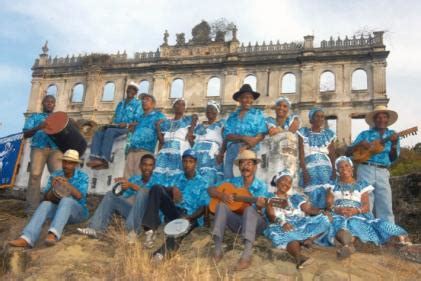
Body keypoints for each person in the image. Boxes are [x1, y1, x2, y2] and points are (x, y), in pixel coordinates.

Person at [326, 156, 409, 259]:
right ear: (337, 171)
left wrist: (356, 210)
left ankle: (347, 245)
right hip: (338, 213)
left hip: (357, 213)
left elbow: (366, 206)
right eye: (341, 167)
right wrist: (336, 209)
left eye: (346, 166)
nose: (344, 169)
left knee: (354, 223)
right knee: (338, 223)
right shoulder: (332, 185)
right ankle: (348, 246)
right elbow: (329, 203)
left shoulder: (362, 185)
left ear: (352, 168)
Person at [9, 150, 89, 247]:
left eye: (70, 162)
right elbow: (46, 198)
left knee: (66, 200)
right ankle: (27, 238)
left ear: (75, 164)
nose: (66, 165)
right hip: (60, 212)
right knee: (45, 204)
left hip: (78, 213)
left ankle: (53, 234)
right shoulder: (55, 175)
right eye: (65, 161)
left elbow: (80, 196)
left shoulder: (83, 176)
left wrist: (67, 185)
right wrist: (53, 188)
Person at [208, 150, 269, 270]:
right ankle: (218, 251)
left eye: (249, 163)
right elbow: (210, 189)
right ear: (239, 166)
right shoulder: (233, 182)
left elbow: (261, 210)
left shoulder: (261, 186)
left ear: (255, 167)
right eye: (242, 163)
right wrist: (222, 196)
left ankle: (246, 256)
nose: (245, 166)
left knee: (249, 210)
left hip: (256, 224)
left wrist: (260, 205)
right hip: (237, 224)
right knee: (221, 206)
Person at [77, 154, 159, 242]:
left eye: (150, 165)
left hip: (149, 218)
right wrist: (122, 188)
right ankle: (96, 229)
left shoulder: (158, 180)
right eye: (145, 164)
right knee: (110, 195)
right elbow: (124, 196)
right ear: (140, 166)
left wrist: (131, 185)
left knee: (143, 193)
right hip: (135, 214)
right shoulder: (135, 179)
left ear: (154, 167)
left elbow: (151, 196)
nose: (147, 168)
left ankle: (133, 232)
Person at [142, 149, 209, 249]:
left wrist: (189, 218)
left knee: (175, 235)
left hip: (190, 216)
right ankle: (149, 230)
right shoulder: (176, 178)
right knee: (156, 188)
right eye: (185, 161)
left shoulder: (203, 182)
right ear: (182, 162)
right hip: (174, 211)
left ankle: (159, 256)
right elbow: (163, 190)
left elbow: (203, 207)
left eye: (190, 161)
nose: (187, 164)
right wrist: (172, 189)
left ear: (196, 163)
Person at [264, 170, 331, 269]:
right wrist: (282, 223)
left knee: (325, 220)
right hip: (282, 225)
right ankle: (299, 258)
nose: (286, 184)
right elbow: (271, 216)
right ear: (277, 181)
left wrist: (322, 212)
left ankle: (308, 240)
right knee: (289, 234)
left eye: (289, 182)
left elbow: (308, 209)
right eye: (284, 180)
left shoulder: (294, 198)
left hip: (300, 224)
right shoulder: (270, 198)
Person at [346, 105, 400, 223]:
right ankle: (366, 233)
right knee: (365, 202)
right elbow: (348, 152)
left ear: (388, 120)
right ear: (374, 120)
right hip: (365, 169)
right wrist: (359, 144)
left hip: (383, 171)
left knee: (385, 203)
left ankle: (388, 233)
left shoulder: (393, 135)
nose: (381, 120)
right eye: (378, 117)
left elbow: (393, 158)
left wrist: (394, 144)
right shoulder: (365, 134)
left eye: (384, 117)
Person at [87, 82, 142, 170]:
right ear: (126, 90)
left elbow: (139, 121)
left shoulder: (138, 104)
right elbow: (115, 118)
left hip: (128, 128)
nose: (130, 91)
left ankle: (104, 159)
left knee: (110, 132)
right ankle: (94, 158)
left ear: (136, 93)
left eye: (133, 90)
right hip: (116, 127)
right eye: (129, 88)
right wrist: (109, 125)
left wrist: (127, 124)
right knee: (98, 133)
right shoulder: (120, 103)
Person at [23, 94, 63, 214]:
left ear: (54, 105)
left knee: (58, 177)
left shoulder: (58, 118)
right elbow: (26, 134)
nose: (49, 104)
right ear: (43, 103)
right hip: (38, 149)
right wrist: (38, 127)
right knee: (35, 176)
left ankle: (56, 206)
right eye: (47, 102)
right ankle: (32, 208)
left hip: (56, 150)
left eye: (52, 102)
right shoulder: (35, 117)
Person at [222, 84, 267, 178]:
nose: (248, 100)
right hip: (233, 150)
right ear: (239, 99)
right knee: (230, 179)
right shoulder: (232, 116)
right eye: (245, 97)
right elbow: (227, 134)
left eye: (251, 98)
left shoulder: (258, 114)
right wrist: (243, 137)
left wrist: (247, 145)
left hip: (251, 150)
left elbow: (261, 134)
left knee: (248, 178)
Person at [297, 107, 336, 209]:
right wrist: (304, 171)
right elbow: (301, 153)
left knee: (327, 193)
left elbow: (332, 154)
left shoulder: (329, 134)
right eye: (317, 116)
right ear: (311, 119)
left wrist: (334, 171)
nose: (320, 119)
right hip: (309, 167)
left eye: (322, 117)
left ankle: (326, 217)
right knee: (311, 194)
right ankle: (314, 217)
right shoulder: (303, 132)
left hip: (326, 168)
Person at [259, 96, 300, 190]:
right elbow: (272, 132)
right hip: (273, 156)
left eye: (285, 106)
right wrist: (282, 131)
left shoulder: (294, 119)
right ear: (275, 108)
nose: (281, 108)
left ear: (288, 109)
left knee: (288, 182)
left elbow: (292, 131)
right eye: (279, 105)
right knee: (272, 181)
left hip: (289, 157)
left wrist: (278, 130)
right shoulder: (269, 120)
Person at [154, 98, 198, 183]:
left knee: (176, 176)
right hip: (165, 152)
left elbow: (195, 117)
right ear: (173, 107)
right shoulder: (167, 122)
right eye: (178, 104)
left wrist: (191, 131)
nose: (181, 106)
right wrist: (158, 127)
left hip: (179, 150)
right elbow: (161, 141)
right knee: (161, 176)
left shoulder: (187, 120)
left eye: (183, 105)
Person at [124, 93, 166, 177]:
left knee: (141, 180)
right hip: (131, 151)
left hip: (146, 152)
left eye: (147, 99)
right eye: (143, 99)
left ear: (153, 104)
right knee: (127, 179)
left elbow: (162, 135)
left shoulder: (159, 116)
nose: (144, 101)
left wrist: (159, 154)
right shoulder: (138, 117)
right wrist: (130, 129)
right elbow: (132, 132)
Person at [188, 100, 225, 186]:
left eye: (212, 109)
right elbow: (190, 139)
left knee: (209, 181)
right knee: (195, 180)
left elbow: (226, 139)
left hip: (211, 156)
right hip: (197, 156)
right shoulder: (199, 126)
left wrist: (221, 153)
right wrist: (193, 124)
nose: (209, 111)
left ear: (217, 112)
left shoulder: (221, 124)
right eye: (208, 109)